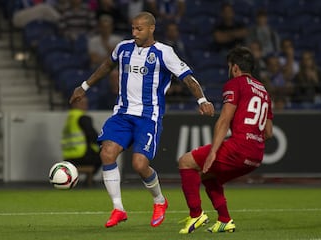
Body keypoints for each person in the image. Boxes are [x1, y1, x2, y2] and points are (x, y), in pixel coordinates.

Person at [69, 11, 215, 228]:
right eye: (133, 28)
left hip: (148, 117)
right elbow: (107, 65)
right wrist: (85, 86)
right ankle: (118, 208)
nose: (134, 33)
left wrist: (202, 100)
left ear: (151, 29)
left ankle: (159, 201)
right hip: (122, 114)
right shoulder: (123, 48)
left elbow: (187, 78)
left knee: (139, 164)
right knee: (107, 154)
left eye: (139, 29)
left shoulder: (164, 53)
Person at [178, 47, 273, 234]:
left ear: (235, 67)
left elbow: (224, 120)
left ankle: (196, 214)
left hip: (239, 148)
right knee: (208, 175)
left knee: (186, 162)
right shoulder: (263, 91)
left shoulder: (235, 83)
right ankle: (224, 220)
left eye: (230, 67)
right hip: (256, 154)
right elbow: (268, 132)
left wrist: (214, 151)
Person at [61, 95, 101, 185]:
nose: (85, 106)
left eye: (86, 103)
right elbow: (93, 136)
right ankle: (89, 180)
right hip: (81, 156)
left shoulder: (70, 118)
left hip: (68, 157)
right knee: (104, 153)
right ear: (75, 104)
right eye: (83, 103)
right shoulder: (83, 117)